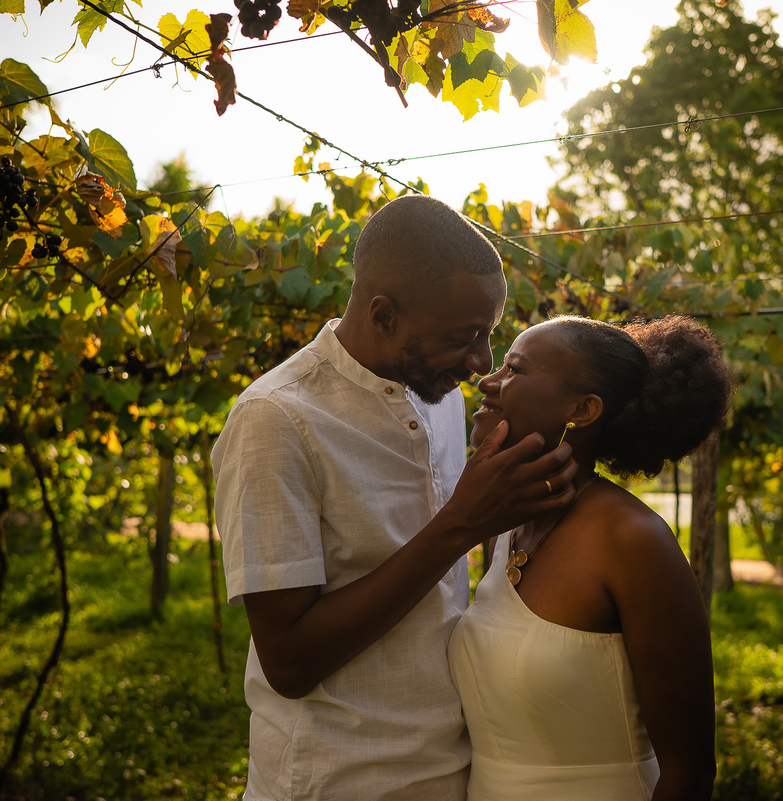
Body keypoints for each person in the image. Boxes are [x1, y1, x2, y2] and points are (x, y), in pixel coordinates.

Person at [211, 194, 578, 801]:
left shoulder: (443, 398)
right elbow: (290, 663)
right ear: (383, 315)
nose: (481, 363)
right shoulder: (275, 420)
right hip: (337, 781)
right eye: (464, 337)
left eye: (488, 335)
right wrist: (459, 526)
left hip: (455, 773)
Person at [449, 314, 731, 801]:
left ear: (582, 409)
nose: (488, 380)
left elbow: (690, 774)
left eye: (514, 369)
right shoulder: (507, 527)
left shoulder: (633, 541)